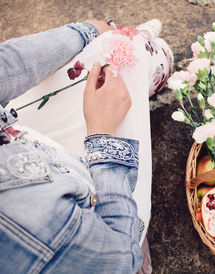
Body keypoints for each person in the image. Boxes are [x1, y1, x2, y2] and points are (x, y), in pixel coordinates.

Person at [0, 18, 173, 273]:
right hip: (99, 232)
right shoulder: (22, 226)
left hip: (27, 142)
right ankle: (155, 61)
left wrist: (84, 31)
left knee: (123, 44)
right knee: (131, 57)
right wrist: (103, 134)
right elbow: (123, 258)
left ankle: (147, 51)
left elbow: (8, 65)